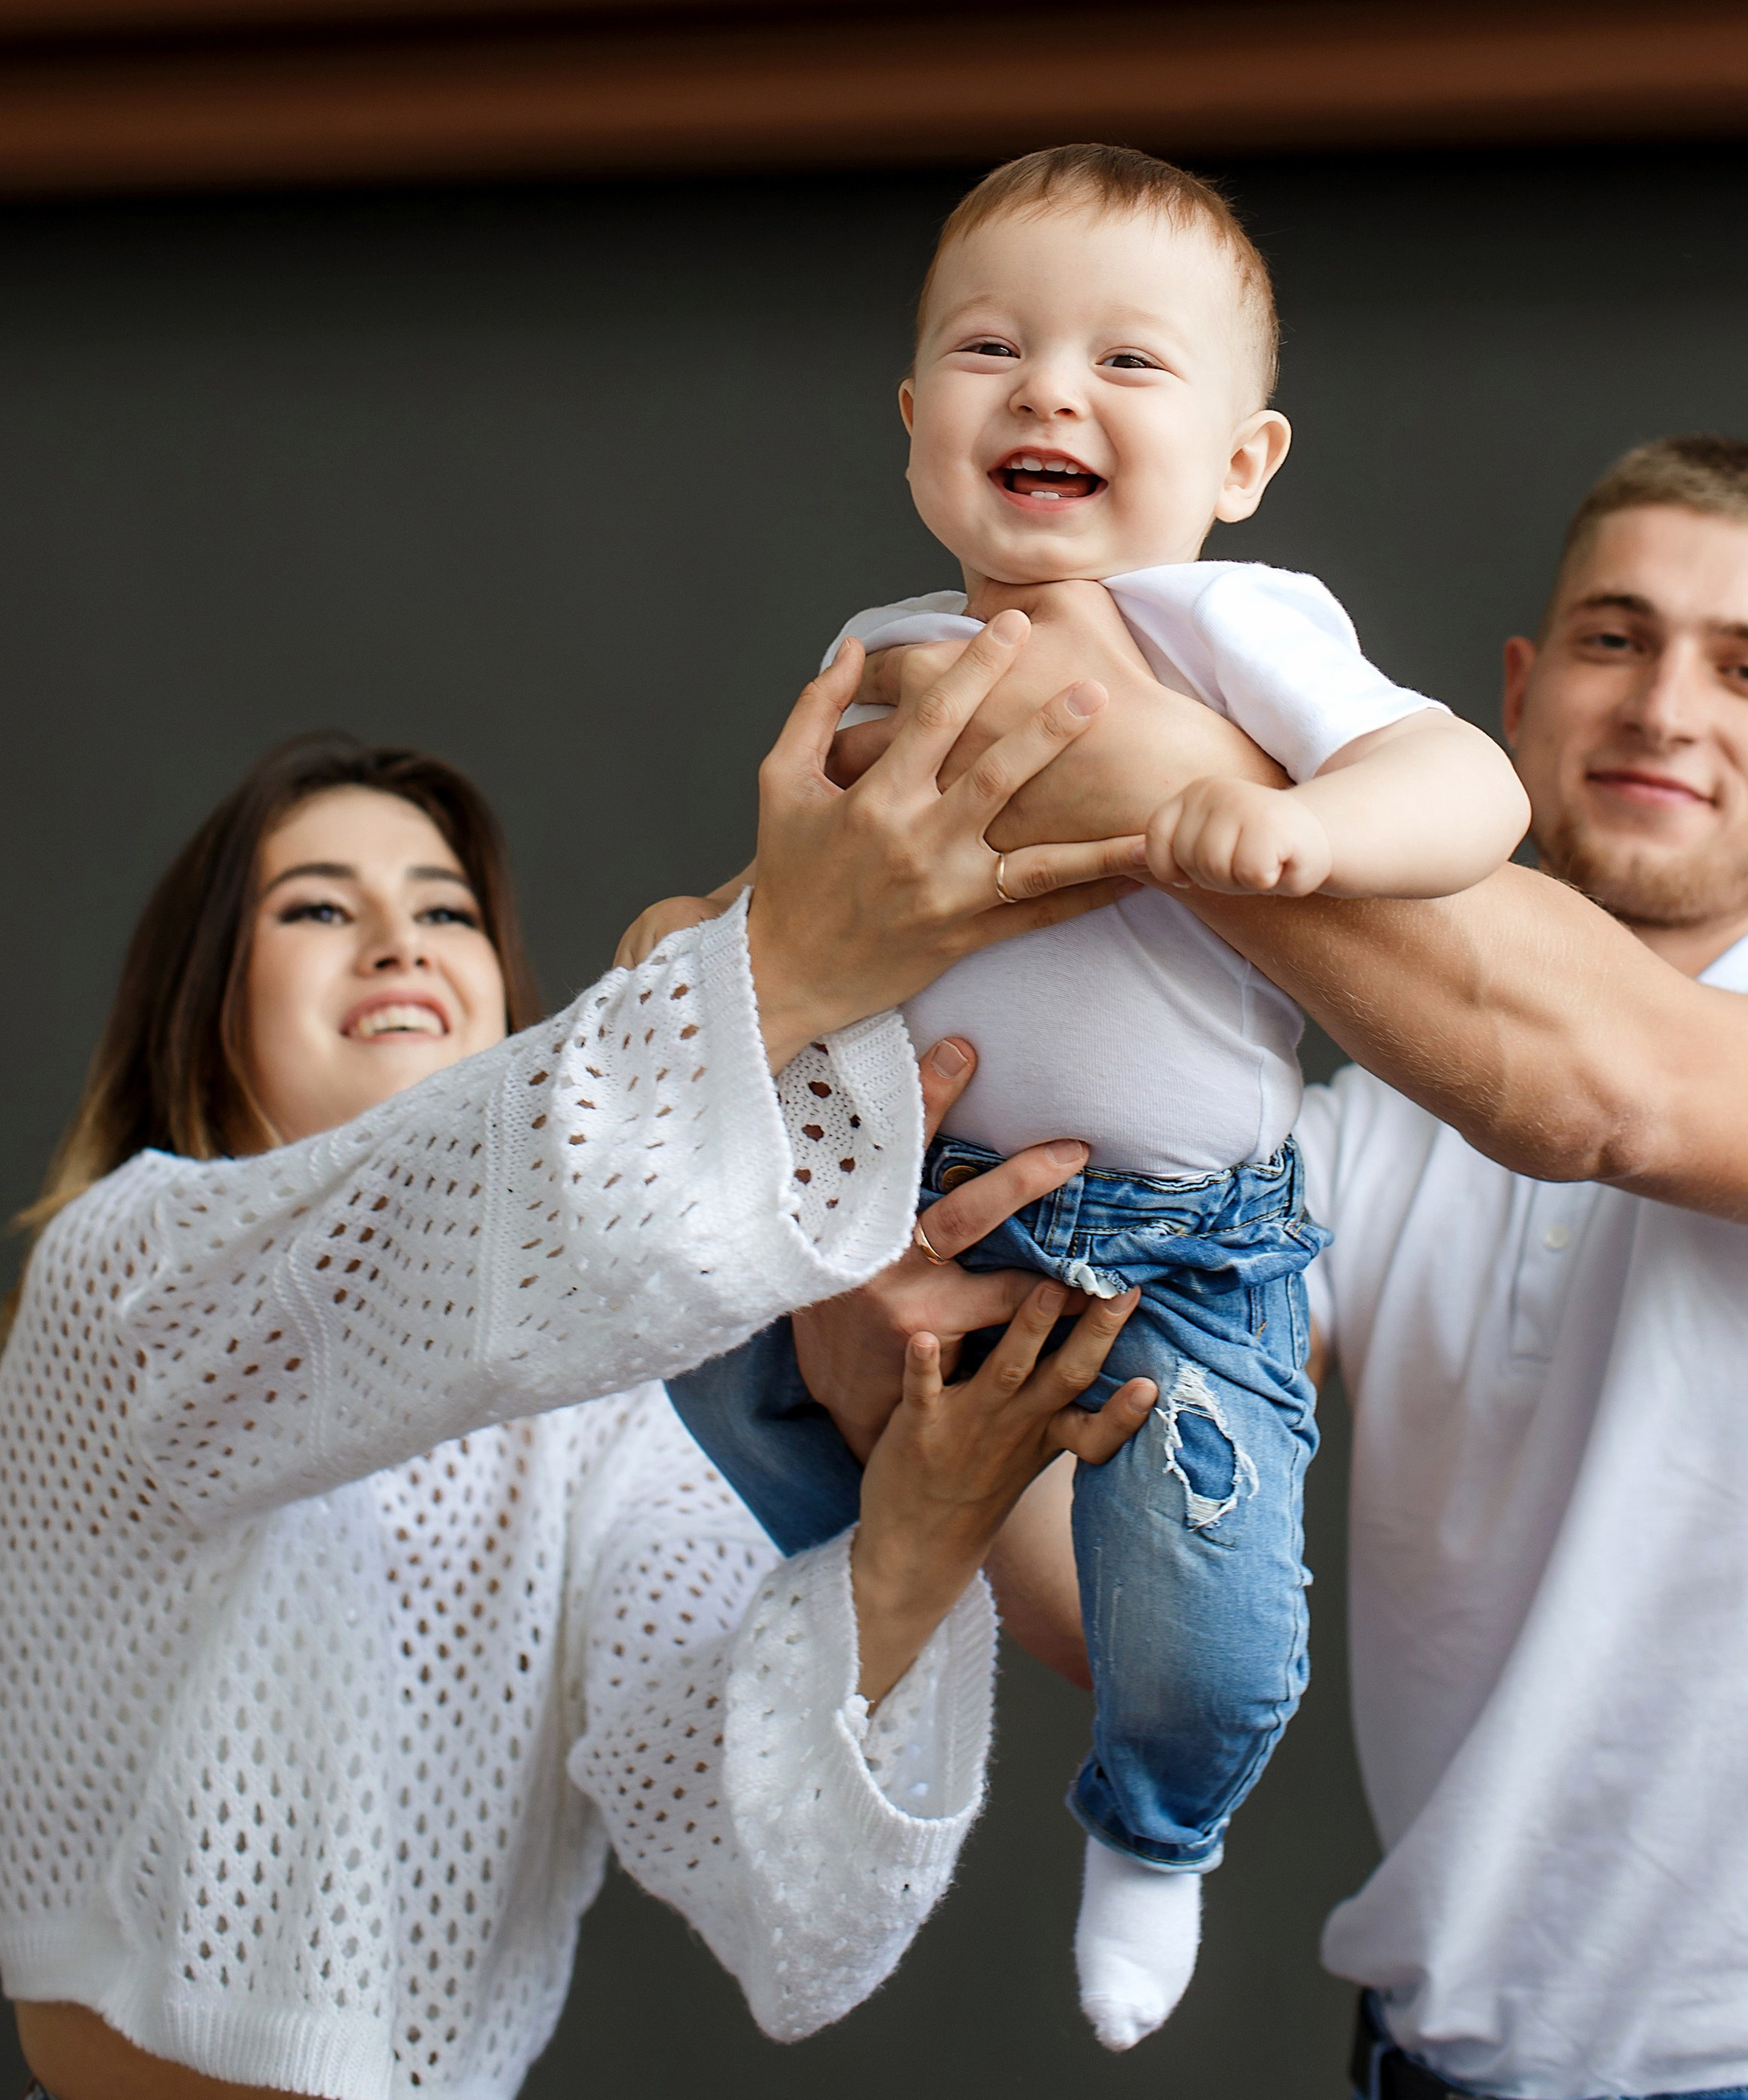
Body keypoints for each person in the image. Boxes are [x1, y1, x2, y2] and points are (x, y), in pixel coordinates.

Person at [778, 433, 1748, 2100]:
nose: (1663, 705)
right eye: (1613, 639)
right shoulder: (1349, 1148)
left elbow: (1606, 1090)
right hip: (1418, 2067)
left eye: (1747, 670)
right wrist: (856, 1315)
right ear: (1516, 695)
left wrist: (1139, 772)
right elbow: (1105, 1601)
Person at [0, 613, 1159, 2100]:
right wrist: (781, 963)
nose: (400, 940)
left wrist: (912, 1537)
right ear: (202, 1004)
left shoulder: (595, 1422)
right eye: (312, 909)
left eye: (447, 910)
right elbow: (411, 1235)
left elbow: (786, 1903)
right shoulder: (129, 1279)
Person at [662, 144, 1528, 2050]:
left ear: (1238, 465)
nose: (1048, 390)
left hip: (1180, 1254)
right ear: (914, 422)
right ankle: (823, 1622)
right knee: (693, 1402)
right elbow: (806, 900)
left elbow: (1473, 785)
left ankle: (1156, 1828)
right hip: (892, 1198)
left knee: (1213, 1641)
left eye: (1127, 366)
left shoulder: (1224, 629)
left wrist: (1306, 825)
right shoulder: (877, 652)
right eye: (992, 348)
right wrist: (701, 933)